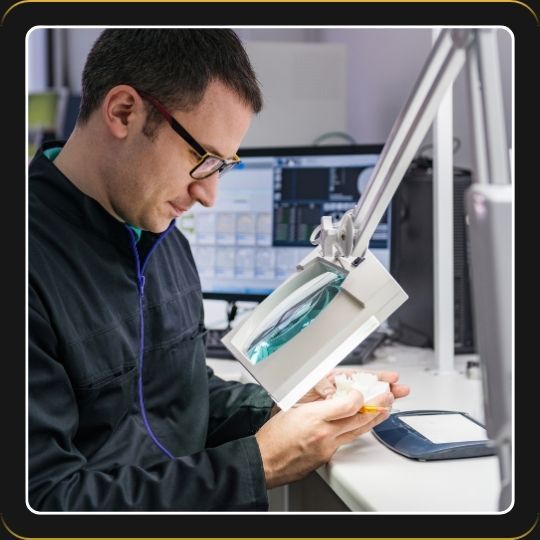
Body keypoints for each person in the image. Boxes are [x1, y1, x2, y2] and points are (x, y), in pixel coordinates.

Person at [29, 29, 409, 512]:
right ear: (124, 111)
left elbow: (181, 396)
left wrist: (280, 405)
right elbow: (45, 503)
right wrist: (261, 464)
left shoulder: (157, 232)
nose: (209, 196)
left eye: (222, 166)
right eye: (202, 158)